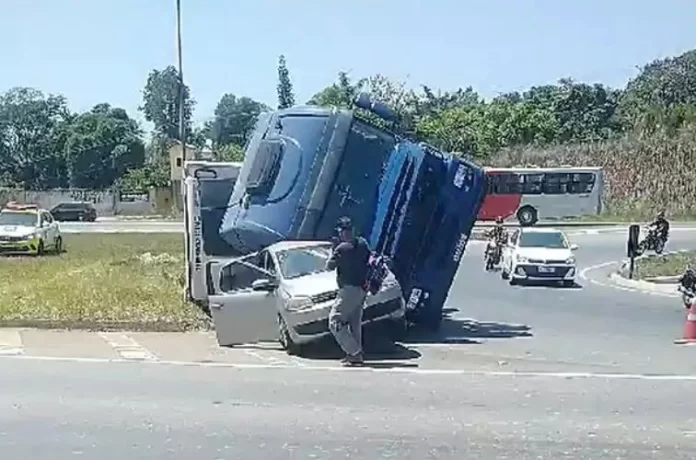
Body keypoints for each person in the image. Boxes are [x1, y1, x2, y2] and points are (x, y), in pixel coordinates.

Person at [325, 216, 371, 366]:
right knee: (354, 323)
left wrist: (333, 250)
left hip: (349, 289)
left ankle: (354, 352)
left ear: (341, 231)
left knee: (335, 321)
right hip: (362, 289)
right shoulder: (363, 243)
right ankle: (356, 354)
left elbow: (329, 266)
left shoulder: (342, 248)